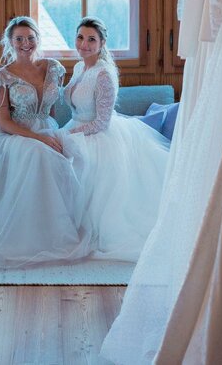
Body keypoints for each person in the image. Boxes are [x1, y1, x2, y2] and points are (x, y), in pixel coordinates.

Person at [0, 17, 92, 268]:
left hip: (45, 128)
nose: (25, 43)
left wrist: (52, 134)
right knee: (36, 154)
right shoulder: (3, 76)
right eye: (19, 39)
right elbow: (2, 121)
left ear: (37, 40)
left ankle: (51, 229)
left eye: (30, 38)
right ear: (10, 43)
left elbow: (50, 111)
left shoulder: (54, 68)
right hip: (14, 133)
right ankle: (23, 237)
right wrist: (38, 137)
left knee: (65, 154)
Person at [64, 17, 171, 261]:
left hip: (99, 136)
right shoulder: (80, 67)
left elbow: (101, 122)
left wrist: (67, 135)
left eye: (91, 39)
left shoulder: (104, 74)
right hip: (77, 128)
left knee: (83, 169)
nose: (84, 44)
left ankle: (90, 232)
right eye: (80, 37)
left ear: (101, 44)